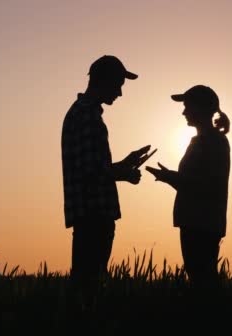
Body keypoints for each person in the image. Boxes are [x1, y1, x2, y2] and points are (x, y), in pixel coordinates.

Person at [61, 55, 151, 301]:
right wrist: (125, 173)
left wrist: (123, 164)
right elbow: (92, 174)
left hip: (87, 213)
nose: (120, 93)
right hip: (94, 214)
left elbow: (91, 167)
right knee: (90, 284)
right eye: (118, 85)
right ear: (105, 81)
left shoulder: (81, 113)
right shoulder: (88, 116)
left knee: (86, 282)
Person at [146, 85, 231, 290]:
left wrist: (170, 178)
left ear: (201, 108)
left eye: (187, 106)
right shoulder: (204, 140)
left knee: (203, 281)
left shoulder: (213, 141)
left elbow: (207, 185)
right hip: (197, 221)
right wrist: (171, 177)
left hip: (202, 222)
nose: (184, 112)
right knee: (200, 278)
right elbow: (197, 182)